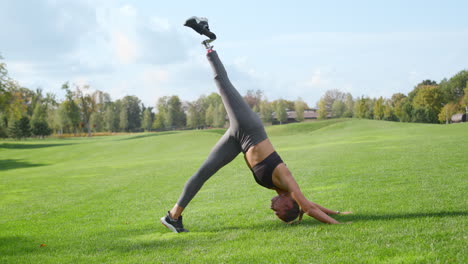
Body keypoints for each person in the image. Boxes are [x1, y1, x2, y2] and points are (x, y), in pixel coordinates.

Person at [161, 16, 351, 233]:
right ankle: (208, 42)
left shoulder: (285, 193)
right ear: (289, 205)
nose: (273, 210)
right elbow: (307, 208)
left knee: (203, 172)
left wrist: (337, 213)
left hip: (238, 140)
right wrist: (341, 226)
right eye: (278, 212)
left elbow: (308, 204)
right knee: (223, 84)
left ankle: (173, 217)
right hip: (249, 128)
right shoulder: (286, 179)